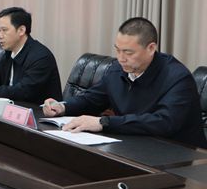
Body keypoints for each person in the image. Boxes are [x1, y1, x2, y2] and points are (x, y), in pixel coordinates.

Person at [43, 17, 207, 148]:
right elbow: (92, 99)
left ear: (151, 48)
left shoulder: (177, 77)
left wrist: (104, 123)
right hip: (133, 145)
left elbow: (164, 122)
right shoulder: (118, 69)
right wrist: (63, 107)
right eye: (118, 50)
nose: (121, 58)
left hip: (177, 155)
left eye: (128, 52)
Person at [0, 7, 62, 104]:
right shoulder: (9, 52)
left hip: (37, 113)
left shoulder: (41, 57)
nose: (0, 36)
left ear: (21, 30)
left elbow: (22, 91)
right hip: (13, 109)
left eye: (4, 30)